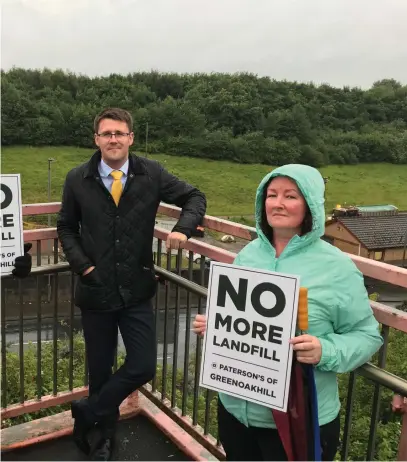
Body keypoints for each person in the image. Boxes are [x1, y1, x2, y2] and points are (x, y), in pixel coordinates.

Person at [193, 164, 382, 461]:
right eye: (271, 195)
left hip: (300, 419)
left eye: (291, 196)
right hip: (235, 410)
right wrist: (217, 326)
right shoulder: (249, 254)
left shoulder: (337, 267)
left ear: (310, 206)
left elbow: (367, 335)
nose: (278, 203)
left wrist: (326, 350)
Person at [57, 107, 206, 461]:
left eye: (119, 133)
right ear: (96, 139)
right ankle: (103, 439)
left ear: (130, 138)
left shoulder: (150, 172)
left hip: (137, 289)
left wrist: (183, 228)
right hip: (95, 291)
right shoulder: (78, 178)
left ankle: (88, 411)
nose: (113, 139)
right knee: (100, 368)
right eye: (106, 133)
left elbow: (194, 196)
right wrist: (84, 267)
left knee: (142, 366)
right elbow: (65, 226)